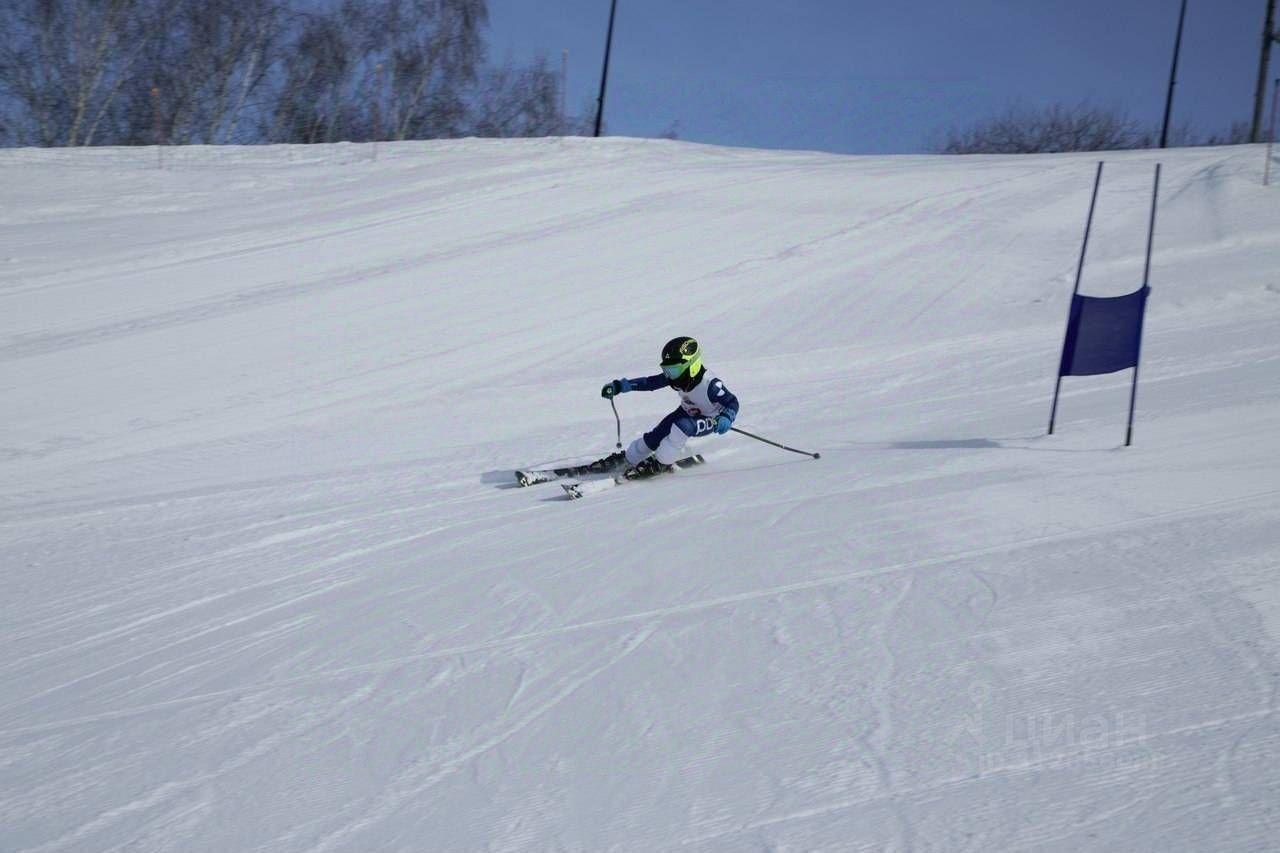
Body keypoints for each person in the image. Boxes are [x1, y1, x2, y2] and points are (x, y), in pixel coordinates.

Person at [598, 336, 739, 477]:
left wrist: (726, 417)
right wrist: (620, 386)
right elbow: (650, 382)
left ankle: (660, 463)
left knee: (682, 427)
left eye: (674, 371)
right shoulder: (679, 376)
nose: (670, 377)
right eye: (667, 371)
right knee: (657, 434)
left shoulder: (711, 385)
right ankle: (629, 458)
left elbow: (732, 402)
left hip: (711, 419)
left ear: (693, 365)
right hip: (686, 411)